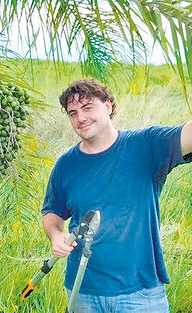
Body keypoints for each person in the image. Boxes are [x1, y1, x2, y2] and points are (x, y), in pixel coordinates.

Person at [42, 77, 192, 312]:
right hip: (83, 291)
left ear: (108, 106)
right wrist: (55, 236)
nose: (80, 118)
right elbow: (52, 211)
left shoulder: (146, 145)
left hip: (141, 293)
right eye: (73, 113)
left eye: (88, 107)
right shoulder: (66, 165)